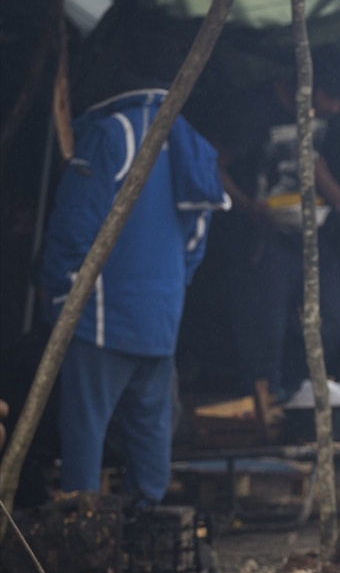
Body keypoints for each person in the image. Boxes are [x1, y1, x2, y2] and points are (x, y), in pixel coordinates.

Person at [40, 88, 226, 505]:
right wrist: (170, 285)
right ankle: (148, 524)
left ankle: (83, 522)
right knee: (150, 432)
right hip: (161, 316)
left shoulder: (110, 134)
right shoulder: (186, 137)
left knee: (85, 429)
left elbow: (74, 226)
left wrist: (59, 293)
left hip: (101, 315)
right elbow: (197, 235)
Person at [218, 47, 340, 398]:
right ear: (307, 85)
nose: (335, 108)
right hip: (261, 239)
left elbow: (312, 158)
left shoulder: (320, 114)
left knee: (332, 323)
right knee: (264, 331)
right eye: (331, 97)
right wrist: (248, 206)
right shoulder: (256, 110)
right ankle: (265, 407)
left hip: (310, 235)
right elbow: (213, 163)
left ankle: (297, 395)